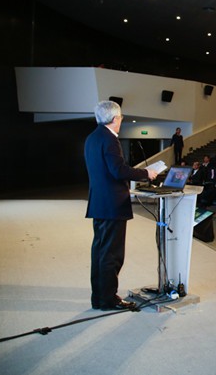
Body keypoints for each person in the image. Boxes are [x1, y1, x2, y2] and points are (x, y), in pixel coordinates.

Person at [84, 101, 157, 311]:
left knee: (100, 252)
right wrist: (146, 173)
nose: (121, 120)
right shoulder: (110, 139)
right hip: (112, 205)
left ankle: (99, 298)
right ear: (115, 118)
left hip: (99, 203)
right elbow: (118, 171)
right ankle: (109, 300)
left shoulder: (92, 138)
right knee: (112, 255)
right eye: (121, 117)